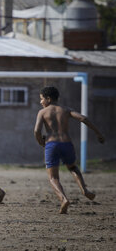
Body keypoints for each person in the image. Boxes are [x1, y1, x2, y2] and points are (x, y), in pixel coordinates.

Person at [34, 86, 105, 214]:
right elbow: (83, 118)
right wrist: (98, 133)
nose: (41, 102)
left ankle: (63, 199)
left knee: (53, 177)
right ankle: (84, 189)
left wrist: (41, 142)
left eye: (41, 99)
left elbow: (36, 131)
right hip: (66, 143)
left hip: (51, 144)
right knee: (72, 167)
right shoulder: (66, 109)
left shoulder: (42, 112)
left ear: (48, 99)